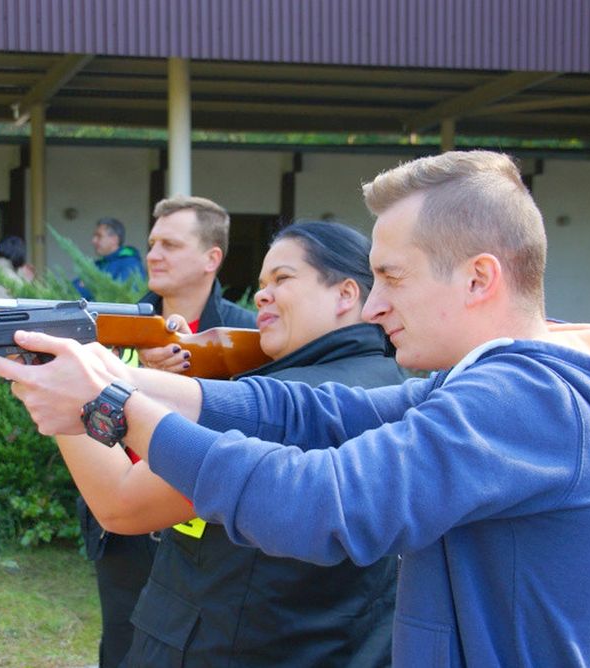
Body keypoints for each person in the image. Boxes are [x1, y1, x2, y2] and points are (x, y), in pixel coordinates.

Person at [0, 151, 590, 665]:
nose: (376, 304)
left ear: (479, 278)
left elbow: (326, 503)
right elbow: (316, 414)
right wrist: (117, 376)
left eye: (392, 277)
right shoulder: (495, 381)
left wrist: (111, 406)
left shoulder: (530, 400)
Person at [56, 221, 404, 666]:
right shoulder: (383, 383)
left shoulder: (292, 400)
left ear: (346, 295)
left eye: (282, 279)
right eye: (262, 284)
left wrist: (64, 385)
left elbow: (122, 503)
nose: (261, 295)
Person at [78, 196, 256, 668]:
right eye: (153, 243)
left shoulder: (249, 338)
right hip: (124, 530)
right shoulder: (112, 329)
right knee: (122, 649)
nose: (153, 255)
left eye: (171, 245)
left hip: (207, 534)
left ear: (211, 258)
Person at [74, 217, 146, 300]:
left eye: (99, 236)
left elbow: (122, 297)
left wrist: (88, 286)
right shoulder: (98, 264)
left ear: (114, 239)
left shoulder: (130, 264)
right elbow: (71, 291)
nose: (94, 240)